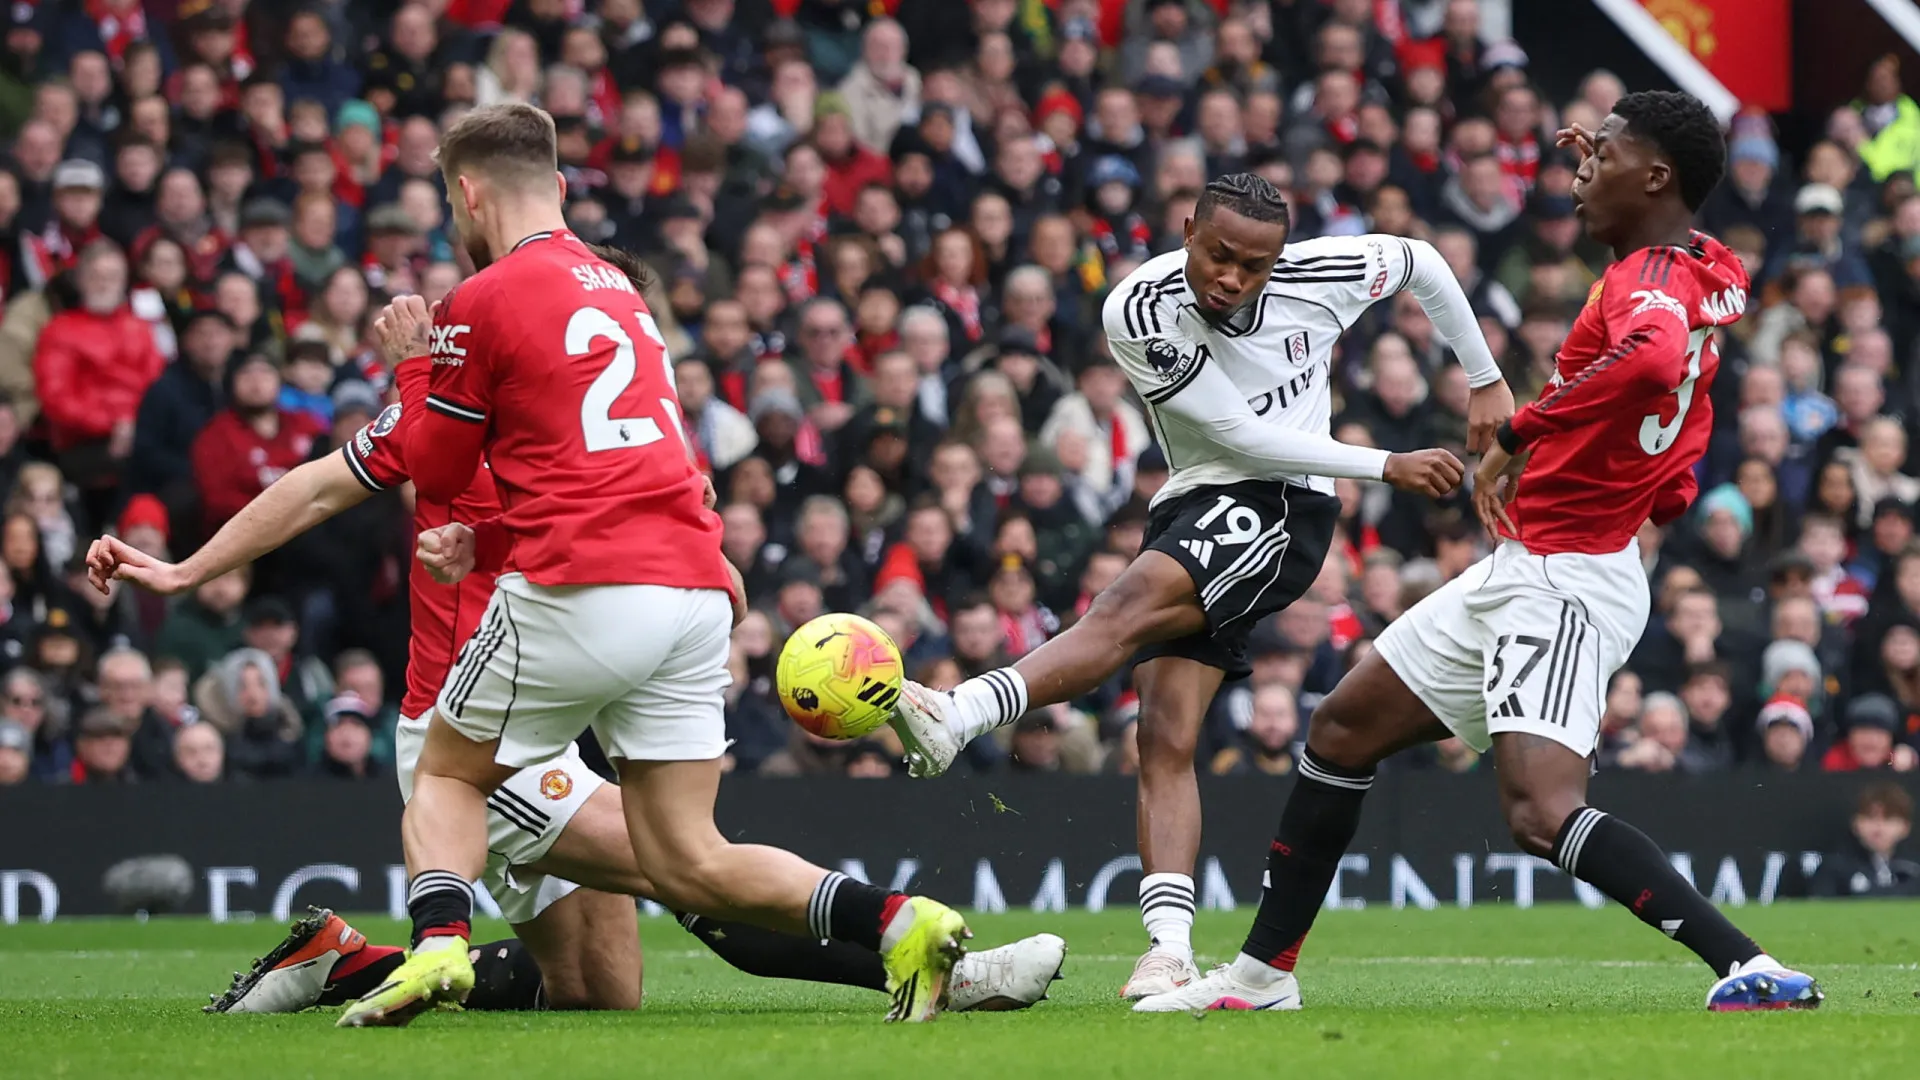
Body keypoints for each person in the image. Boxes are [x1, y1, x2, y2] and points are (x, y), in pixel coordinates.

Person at [91, 112, 1060, 1024]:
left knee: (612, 969)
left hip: (562, 661)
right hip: (497, 692)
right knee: (676, 874)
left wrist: (451, 446)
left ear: (471, 197)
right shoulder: (551, 340)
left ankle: (363, 959)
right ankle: (938, 959)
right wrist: (185, 569)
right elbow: (322, 487)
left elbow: (518, 485)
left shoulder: (505, 356)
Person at [1132, 91, 1823, 1015]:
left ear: (1657, 177)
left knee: (1540, 810)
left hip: (1569, 579)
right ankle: (1262, 976)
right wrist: (1659, 484)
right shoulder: (1702, 266)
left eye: (1603, 156)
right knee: (1341, 729)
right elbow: (1684, 371)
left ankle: (1746, 964)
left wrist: (1521, 431)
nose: (1580, 171)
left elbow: (1655, 359)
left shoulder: (1645, 284)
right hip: (1529, 563)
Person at [883, 170, 1505, 999]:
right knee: (1164, 734)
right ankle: (1169, 952)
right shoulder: (1140, 309)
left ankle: (958, 714)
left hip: (1283, 505)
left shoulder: (1322, 275)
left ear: (1279, 259)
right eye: (1218, 255)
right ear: (1187, 233)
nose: (1232, 278)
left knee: (1121, 609)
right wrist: (1384, 463)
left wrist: (1484, 376)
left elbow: (1421, 262)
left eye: (1254, 265)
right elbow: (1237, 434)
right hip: (1198, 497)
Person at [1806, 782, 1920, 897]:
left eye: (1888, 819)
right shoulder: (1834, 868)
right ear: (1855, 824)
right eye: (1870, 817)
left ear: (1906, 827)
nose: (1878, 828)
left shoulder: (1914, 869)